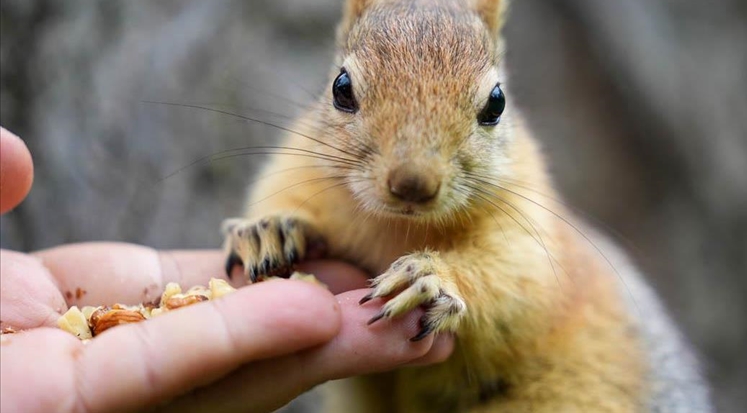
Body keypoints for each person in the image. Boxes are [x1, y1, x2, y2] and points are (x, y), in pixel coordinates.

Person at [0, 125, 453, 412]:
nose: (411, 177)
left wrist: (454, 278)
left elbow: (520, 287)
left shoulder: (515, 188)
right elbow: (285, 194)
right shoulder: (314, 154)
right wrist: (284, 231)